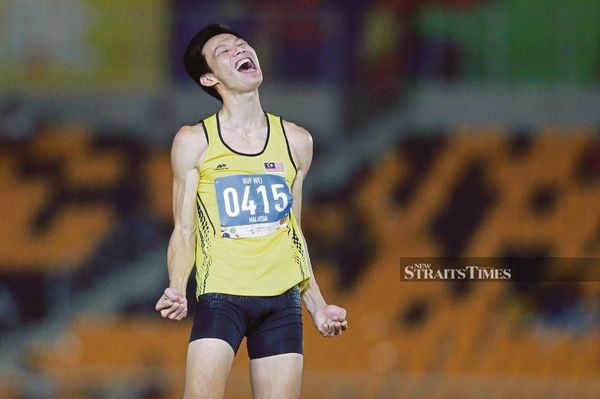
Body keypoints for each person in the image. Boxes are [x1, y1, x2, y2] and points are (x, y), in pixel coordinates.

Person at [154, 24, 348, 399]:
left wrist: (318, 305)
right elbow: (184, 229)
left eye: (241, 43)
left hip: (281, 303)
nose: (240, 49)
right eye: (224, 50)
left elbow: (294, 232)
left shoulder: (296, 141)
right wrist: (178, 286)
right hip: (222, 298)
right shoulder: (194, 141)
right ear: (209, 77)